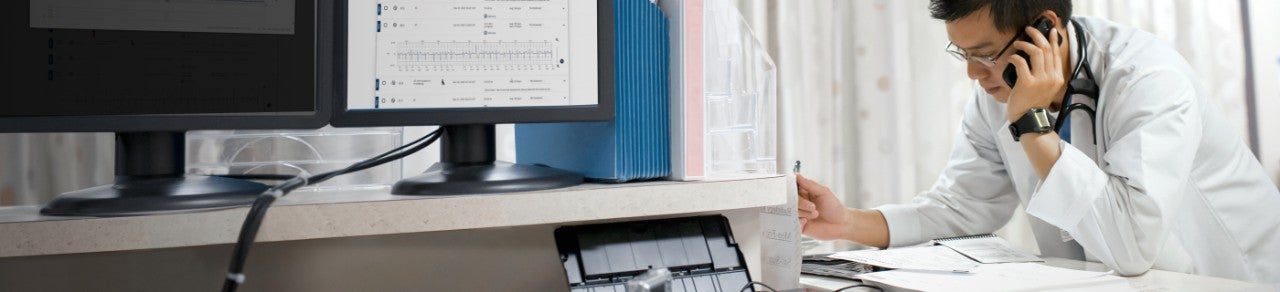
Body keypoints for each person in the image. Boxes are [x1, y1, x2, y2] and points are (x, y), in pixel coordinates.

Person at [797, 0, 1280, 283]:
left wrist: (1031, 122)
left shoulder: (1148, 78)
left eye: (983, 54)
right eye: (962, 54)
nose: (972, 74)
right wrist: (847, 223)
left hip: (1233, 279)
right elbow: (962, 207)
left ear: (1045, 29)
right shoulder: (996, 91)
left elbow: (1133, 246)